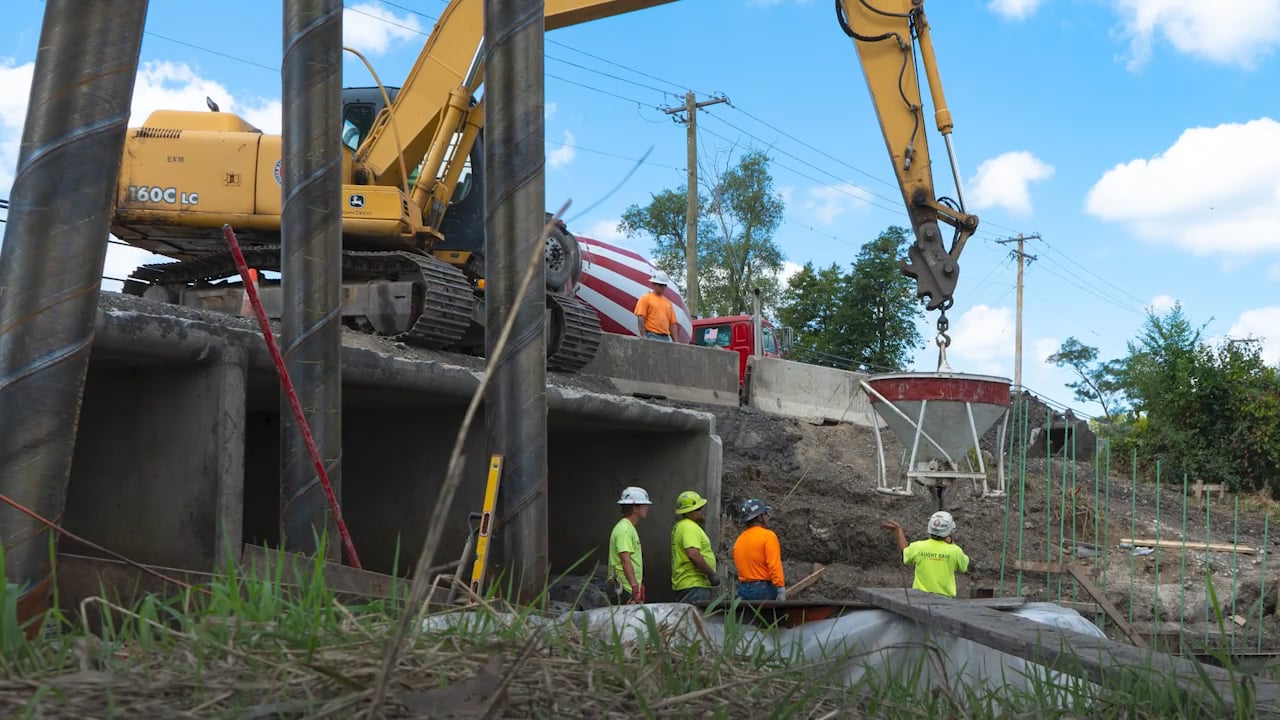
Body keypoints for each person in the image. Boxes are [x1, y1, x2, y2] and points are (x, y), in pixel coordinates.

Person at [881, 511, 970, 598]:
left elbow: (905, 553)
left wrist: (898, 530)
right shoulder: (955, 551)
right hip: (945, 601)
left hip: (919, 599)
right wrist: (950, 542)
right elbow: (963, 567)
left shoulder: (917, 547)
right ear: (950, 530)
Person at [670, 490, 720, 603]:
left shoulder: (680, 526)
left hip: (687, 584)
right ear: (689, 512)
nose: (702, 511)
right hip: (694, 585)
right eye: (698, 509)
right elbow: (693, 554)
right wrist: (711, 574)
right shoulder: (689, 527)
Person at [731, 498, 786, 601]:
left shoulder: (739, 539)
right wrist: (780, 588)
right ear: (760, 517)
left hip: (742, 589)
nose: (767, 516)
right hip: (763, 589)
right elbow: (774, 564)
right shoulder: (768, 536)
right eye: (765, 514)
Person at [607, 486, 652, 605]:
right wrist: (634, 587)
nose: (647, 508)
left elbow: (632, 560)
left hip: (628, 586)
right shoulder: (624, 530)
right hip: (623, 588)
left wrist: (639, 584)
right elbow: (625, 560)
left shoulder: (628, 528)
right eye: (644, 505)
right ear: (635, 508)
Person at [633, 271, 678, 342]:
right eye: (660, 285)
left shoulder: (668, 303)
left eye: (664, 285)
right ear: (654, 284)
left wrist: (676, 342)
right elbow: (640, 318)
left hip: (666, 337)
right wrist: (644, 336)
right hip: (651, 335)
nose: (663, 287)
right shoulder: (645, 298)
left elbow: (672, 324)